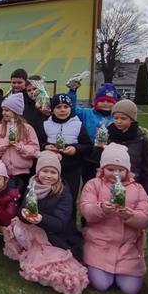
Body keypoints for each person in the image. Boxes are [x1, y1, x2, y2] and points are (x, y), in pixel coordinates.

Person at [3, 151, 88, 294]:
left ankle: (42, 258)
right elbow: (22, 209)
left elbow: (60, 224)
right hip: (36, 229)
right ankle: (32, 252)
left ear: (58, 174)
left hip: (56, 236)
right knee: (16, 228)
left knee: (54, 272)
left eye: (53, 172)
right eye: (45, 171)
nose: (48, 175)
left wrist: (41, 219)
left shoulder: (64, 193)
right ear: (38, 172)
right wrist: (25, 215)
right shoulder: (32, 186)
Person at [80, 143, 148, 294]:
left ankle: (123, 272)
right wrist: (102, 209)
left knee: (131, 290)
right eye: (111, 169)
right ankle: (98, 267)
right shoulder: (93, 185)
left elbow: (146, 218)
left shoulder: (138, 189)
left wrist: (130, 216)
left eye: (121, 170)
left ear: (127, 170)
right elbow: (86, 211)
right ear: (102, 169)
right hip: (99, 243)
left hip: (128, 247)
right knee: (101, 285)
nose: (116, 174)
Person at [42, 93, 93, 223]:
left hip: (72, 169)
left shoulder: (77, 124)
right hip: (51, 169)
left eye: (66, 107)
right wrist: (45, 146)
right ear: (52, 109)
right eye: (58, 107)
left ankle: (70, 227)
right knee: (50, 198)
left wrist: (75, 149)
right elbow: (39, 142)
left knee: (69, 198)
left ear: (71, 108)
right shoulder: (46, 124)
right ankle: (51, 226)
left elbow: (87, 145)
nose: (62, 110)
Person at [103, 99, 148, 197]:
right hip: (109, 184)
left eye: (123, 118)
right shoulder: (107, 136)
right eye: (116, 118)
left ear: (132, 119)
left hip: (134, 184)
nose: (118, 121)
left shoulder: (142, 139)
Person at [68, 81, 119, 182]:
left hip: (110, 156)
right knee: (89, 182)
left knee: (108, 183)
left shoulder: (116, 118)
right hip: (89, 156)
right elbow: (72, 109)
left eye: (109, 101)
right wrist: (72, 92)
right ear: (96, 101)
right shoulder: (87, 113)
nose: (105, 103)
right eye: (102, 100)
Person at [0, 93, 40, 192]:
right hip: (5, 173)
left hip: (23, 173)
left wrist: (21, 148)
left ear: (15, 111)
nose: (3, 113)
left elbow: (35, 150)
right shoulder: (0, 128)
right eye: (3, 110)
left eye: (7, 110)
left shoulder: (27, 128)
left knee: (21, 197)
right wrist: (2, 147)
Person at [0, 69, 46, 145]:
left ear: (25, 82)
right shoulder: (6, 98)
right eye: (14, 82)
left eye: (19, 82)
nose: (16, 85)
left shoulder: (32, 98)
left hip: (31, 135)